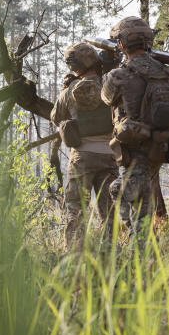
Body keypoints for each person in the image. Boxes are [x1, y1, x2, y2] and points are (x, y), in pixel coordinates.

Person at [101, 16, 169, 234]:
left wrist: (109, 65)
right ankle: (144, 251)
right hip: (160, 146)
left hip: (136, 147)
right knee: (140, 200)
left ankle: (139, 254)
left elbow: (106, 97)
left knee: (123, 194)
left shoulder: (119, 74)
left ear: (122, 43)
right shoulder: (163, 70)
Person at [50, 42, 118, 245]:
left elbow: (55, 117)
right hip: (110, 156)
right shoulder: (110, 86)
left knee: (75, 208)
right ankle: (110, 256)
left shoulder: (69, 91)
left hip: (81, 157)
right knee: (110, 211)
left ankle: (74, 258)